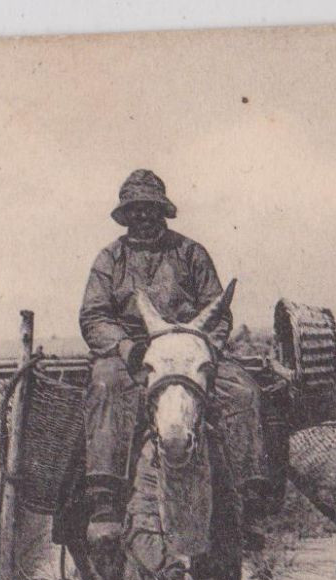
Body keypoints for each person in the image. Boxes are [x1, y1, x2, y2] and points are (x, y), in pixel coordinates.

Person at [78, 170, 272, 548]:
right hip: (135, 354)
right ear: (126, 214)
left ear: (162, 210)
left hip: (188, 351)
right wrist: (125, 347)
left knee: (243, 391)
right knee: (105, 383)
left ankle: (249, 499)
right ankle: (104, 497)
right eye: (136, 209)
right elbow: (93, 316)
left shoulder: (191, 253)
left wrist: (204, 348)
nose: (144, 216)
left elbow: (218, 313)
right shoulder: (110, 259)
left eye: (151, 208)